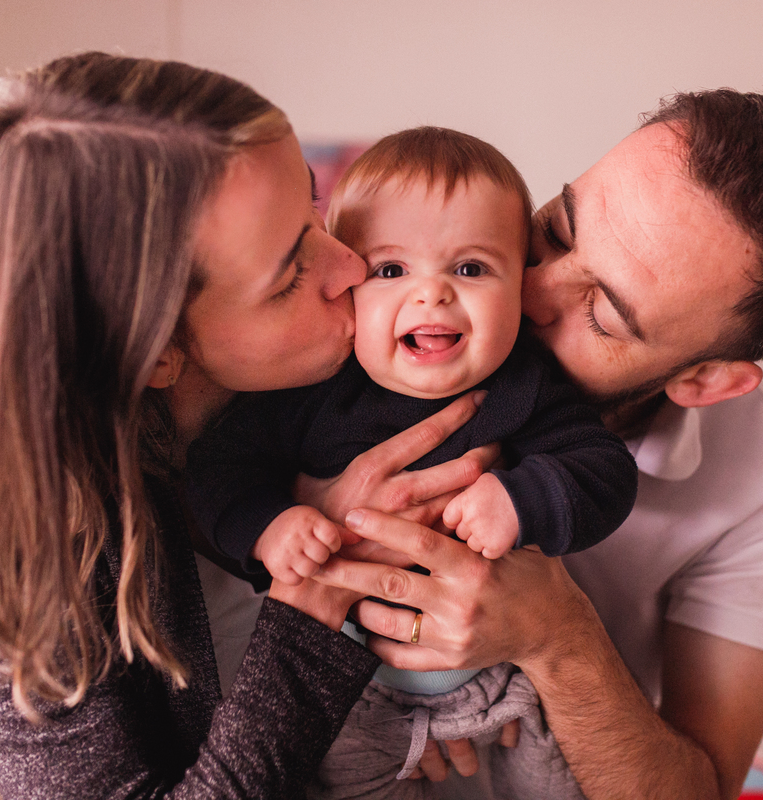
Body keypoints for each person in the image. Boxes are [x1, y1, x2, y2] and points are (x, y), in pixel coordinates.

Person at [0, 51, 503, 799]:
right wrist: (317, 606)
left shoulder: (371, 365)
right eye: (291, 272)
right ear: (158, 351)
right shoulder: (21, 548)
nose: (351, 267)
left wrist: (431, 699)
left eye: (314, 207)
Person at [301, 89, 763, 800]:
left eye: (602, 314)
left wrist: (557, 637)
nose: (524, 292)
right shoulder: (339, 333)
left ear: (704, 379)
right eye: (556, 229)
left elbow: (698, 789)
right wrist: (314, 516)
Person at [185, 127, 636, 799]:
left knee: (560, 782)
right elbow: (218, 475)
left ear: (521, 287)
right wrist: (273, 528)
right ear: (346, 285)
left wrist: (522, 499)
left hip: (503, 678)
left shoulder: (524, 386)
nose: (433, 296)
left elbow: (603, 471)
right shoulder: (310, 390)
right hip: (349, 685)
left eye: (472, 268)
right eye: (391, 271)